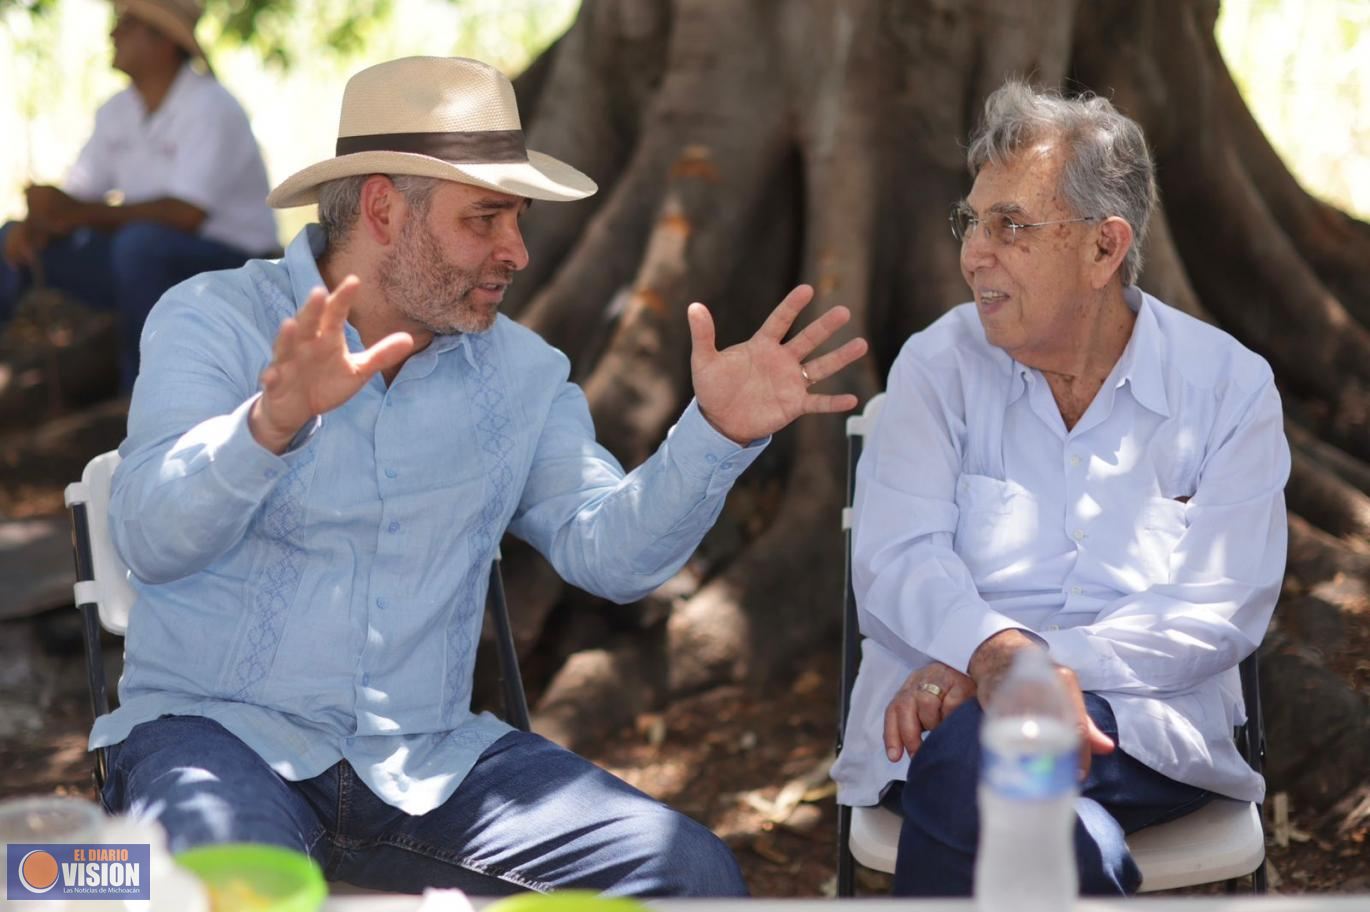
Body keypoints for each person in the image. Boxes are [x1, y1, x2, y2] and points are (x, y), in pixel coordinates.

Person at [91, 56, 868, 897]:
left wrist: (714, 435)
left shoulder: (522, 375)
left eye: (518, 220)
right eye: (487, 219)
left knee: (687, 872)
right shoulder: (215, 320)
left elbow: (611, 555)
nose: (518, 253)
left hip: (428, 768)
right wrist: (269, 425)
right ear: (385, 209)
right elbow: (147, 537)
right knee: (239, 887)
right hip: (218, 739)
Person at [830, 80, 1289, 896]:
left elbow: (1220, 608)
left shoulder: (1228, 387)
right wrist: (997, 658)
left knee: (985, 757)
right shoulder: (937, 368)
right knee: (1017, 791)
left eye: (1010, 226)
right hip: (937, 727)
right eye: (971, 222)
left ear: (1105, 249)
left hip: (1141, 729)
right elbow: (897, 558)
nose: (975, 253)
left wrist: (1009, 666)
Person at [0, 0, 278, 389]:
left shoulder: (211, 107)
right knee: (10, 237)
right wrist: (41, 223)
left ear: (163, 41)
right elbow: (79, 196)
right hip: (141, 261)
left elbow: (186, 214)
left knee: (140, 246)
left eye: (126, 24)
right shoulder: (117, 111)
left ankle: (143, 392)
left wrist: (72, 213)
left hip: (230, 267)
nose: (113, 34)